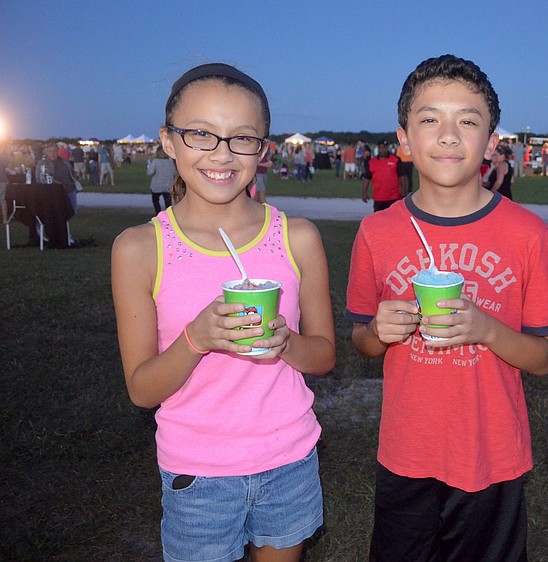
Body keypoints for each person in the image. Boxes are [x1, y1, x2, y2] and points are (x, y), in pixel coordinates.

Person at [111, 63, 334, 562]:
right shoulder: (139, 249)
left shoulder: (298, 238)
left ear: (263, 148)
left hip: (289, 460)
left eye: (241, 139)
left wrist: (286, 343)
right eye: (201, 135)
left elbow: (321, 357)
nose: (222, 154)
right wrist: (196, 338)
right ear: (168, 141)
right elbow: (141, 388)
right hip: (198, 474)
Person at [345, 54, 548, 562]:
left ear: (490, 142)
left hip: (491, 457)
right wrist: (380, 330)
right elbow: (362, 344)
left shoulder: (527, 234)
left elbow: (544, 357)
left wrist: (487, 328)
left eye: (467, 121)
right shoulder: (376, 233)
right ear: (403, 139)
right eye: (429, 119)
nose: (448, 135)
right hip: (406, 452)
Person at [361, 139, 401, 212]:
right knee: (379, 220)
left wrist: (403, 192)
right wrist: (364, 193)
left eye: (384, 147)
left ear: (387, 148)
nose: (382, 150)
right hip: (379, 197)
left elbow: (402, 177)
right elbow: (366, 178)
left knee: (393, 219)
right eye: (380, 147)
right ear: (378, 148)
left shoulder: (395, 160)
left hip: (393, 197)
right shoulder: (372, 162)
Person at [146, 146, 176, 214]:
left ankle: (158, 213)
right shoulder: (170, 162)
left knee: (155, 201)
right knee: (168, 203)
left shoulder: (155, 161)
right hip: (168, 185)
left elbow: (150, 172)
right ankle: (168, 216)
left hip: (157, 185)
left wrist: (148, 166)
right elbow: (174, 173)